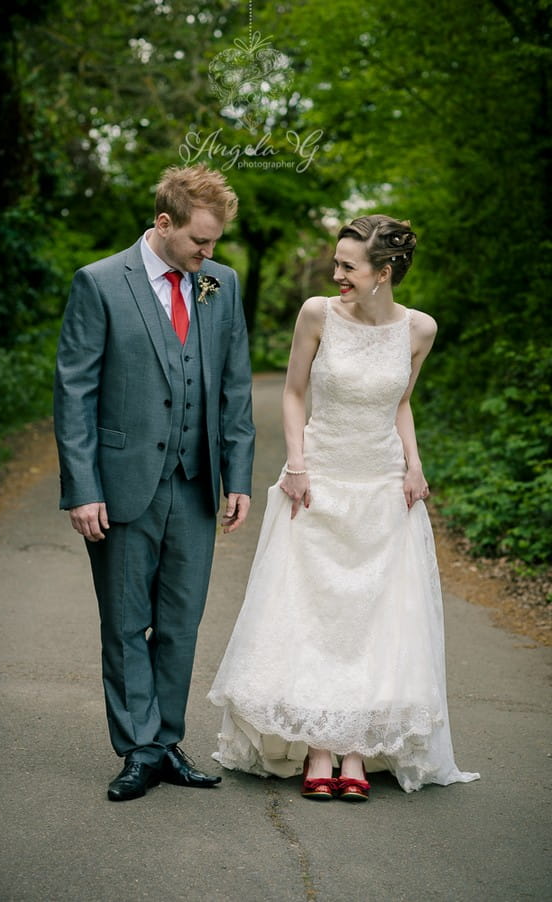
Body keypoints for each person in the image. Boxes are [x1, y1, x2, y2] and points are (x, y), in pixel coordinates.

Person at [208, 214, 479, 801]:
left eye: (348, 267)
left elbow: (400, 404)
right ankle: (319, 748)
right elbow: (294, 391)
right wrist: (297, 465)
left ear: (384, 273)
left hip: (381, 484)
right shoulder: (317, 314)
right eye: (337, 264)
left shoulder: (419, 330)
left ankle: (355, 748)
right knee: (314, 612)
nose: (336, 275)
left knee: (372, 620)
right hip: (320, 478)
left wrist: (414, 464)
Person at [54, 163, 255, 802]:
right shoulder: (100, 282)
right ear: (163, 223)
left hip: (195, 483)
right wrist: (82, 486)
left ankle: (167, 741)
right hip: (119, 485)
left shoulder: (219, 284)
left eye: (216, 241)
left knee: (181, 621)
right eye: (199, 240)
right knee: (124, 621)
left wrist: (238, 474)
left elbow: (235, 386)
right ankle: (137, 749)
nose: (209, 252)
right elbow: (74, 391)